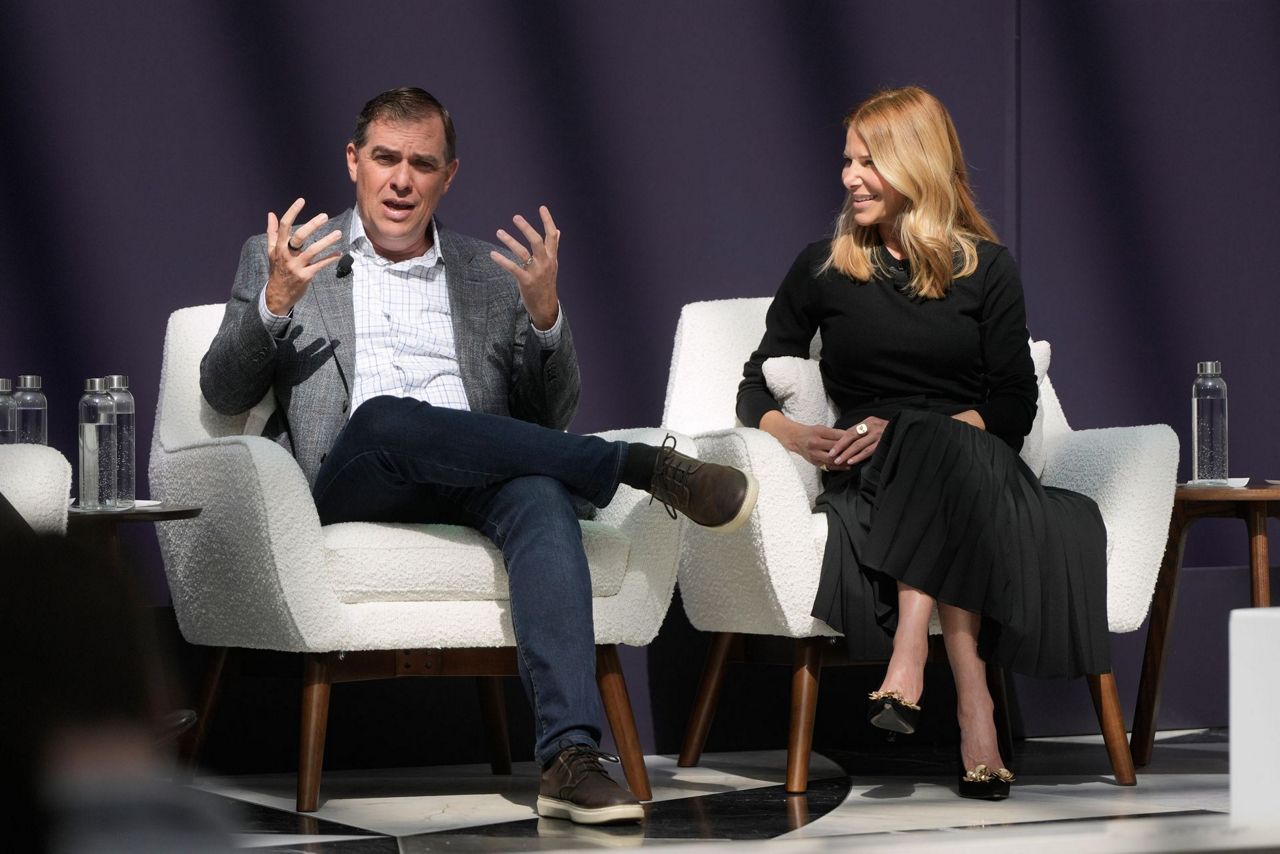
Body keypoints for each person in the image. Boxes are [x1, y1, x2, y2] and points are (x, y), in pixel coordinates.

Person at [200, 86, 757, 825]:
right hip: (356, 475)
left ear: (449, 175)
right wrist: (275, 301)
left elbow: (547, 419)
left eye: (422, 164)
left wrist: (546, 318)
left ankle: (569, 758)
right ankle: (635, 468)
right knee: (386, 418)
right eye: (385, 159)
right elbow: (223, 390)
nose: (402, 181)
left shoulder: (488, 274)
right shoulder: (287, 258)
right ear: (354, 161)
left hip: (473, 472)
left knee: (542, 495)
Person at [738, 86, 1109, 800]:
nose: (850, 177)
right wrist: (795, 434)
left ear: (917, 164)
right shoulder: (823, 267)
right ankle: (974, 703)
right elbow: (756, 382)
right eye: (848, 161)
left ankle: (911, 654)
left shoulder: (987, 270)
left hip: (980, 465)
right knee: (923, 453)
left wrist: (919, 429)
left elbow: (1013, 405)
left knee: (932, 443)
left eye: (868, 162)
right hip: (871, 475)